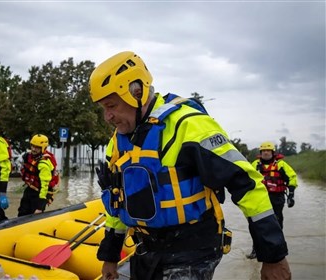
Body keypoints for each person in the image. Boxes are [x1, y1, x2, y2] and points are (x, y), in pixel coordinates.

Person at [89, 51, 291, 280]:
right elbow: (117, 201)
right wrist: (110, 256)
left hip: (194, 248)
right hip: (148, 249)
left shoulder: (190, 126)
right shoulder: (116, 144)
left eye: (112, 106)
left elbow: (247, 185)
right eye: (103, 108)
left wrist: (273, 256)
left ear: (137, 92)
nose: (107, 116)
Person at [246, 141, 298, 259]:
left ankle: (278, 251)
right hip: (258, 199)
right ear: (260, 152)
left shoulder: (281, 164)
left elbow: (292, 177)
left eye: (268, 150)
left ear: (273, 152)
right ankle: (256, 249)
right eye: (263, 151)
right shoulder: (255, 164)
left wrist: (291, 195)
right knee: (255, 224)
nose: (265, 153)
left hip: (276, 198)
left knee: (276, 223)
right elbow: (246, 178)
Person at [18, 134, 59, 216]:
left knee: (35, 216)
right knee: (22, 212)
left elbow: (44, 186)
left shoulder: (44, 164)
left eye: (37, 147)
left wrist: (40, 207)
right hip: (30, 190)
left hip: (39, 194)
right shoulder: (29, 156)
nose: (33, 149)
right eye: (32, 146)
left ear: (43, 148)